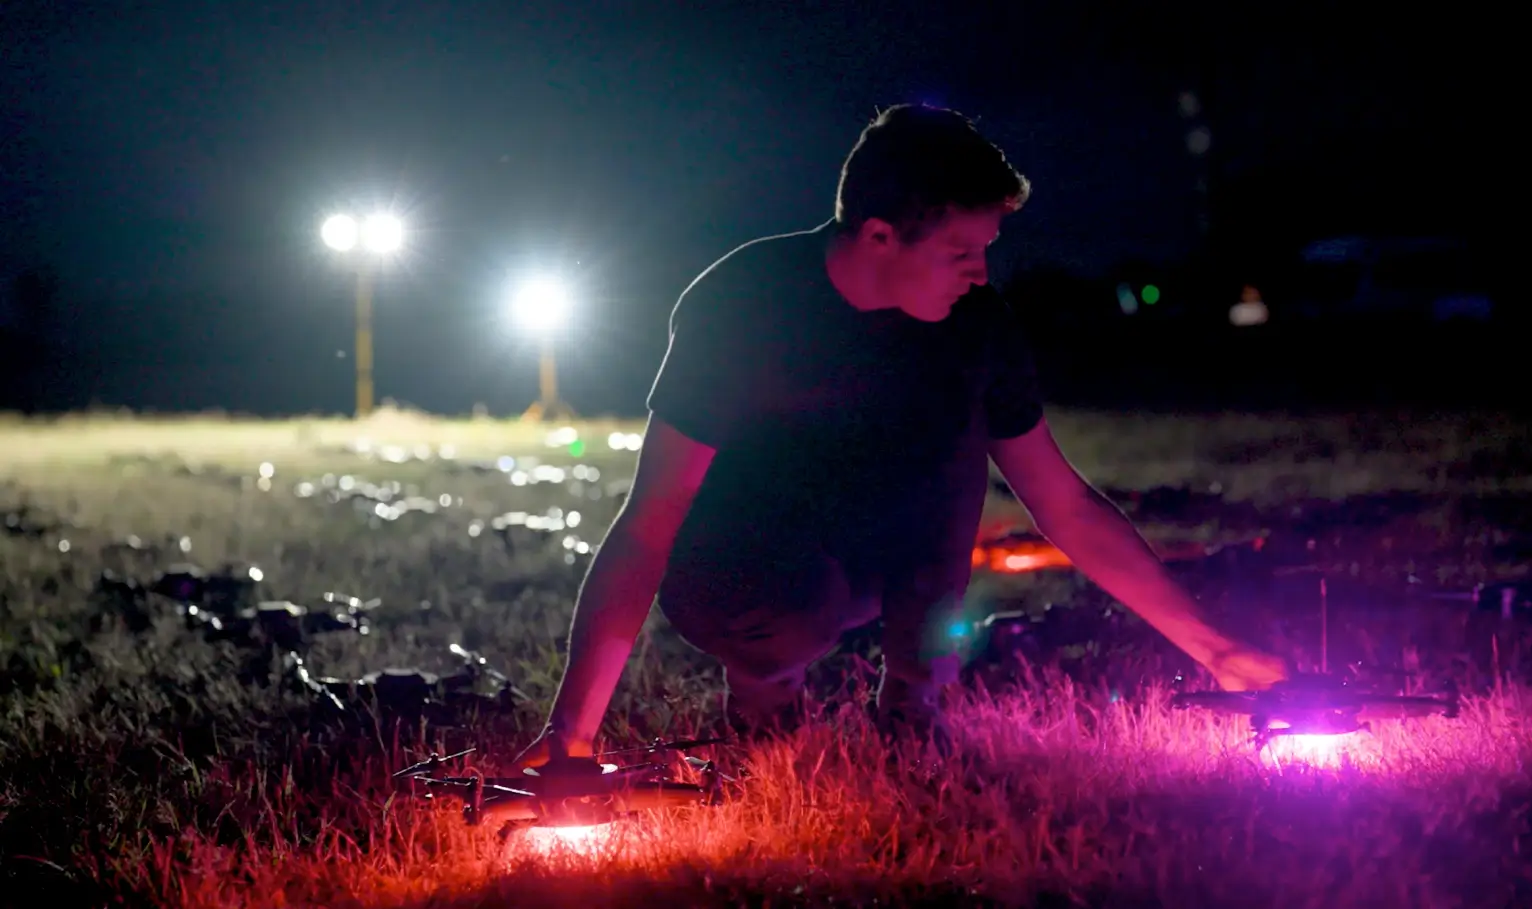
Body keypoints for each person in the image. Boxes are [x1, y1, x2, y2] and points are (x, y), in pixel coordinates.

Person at [512, 103, 1288, 772]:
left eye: (986, 250)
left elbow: (1063, 503)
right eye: (960, 252)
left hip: (884, 554)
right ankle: (764, 700)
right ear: (880, 236)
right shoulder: (743, 302)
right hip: (742, 563)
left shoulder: (976, 327)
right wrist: (570, 732)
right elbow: (650, 520)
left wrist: (1218, 651)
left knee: (957, 449)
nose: (980, 274)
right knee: (784, 608)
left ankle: (914, 710)